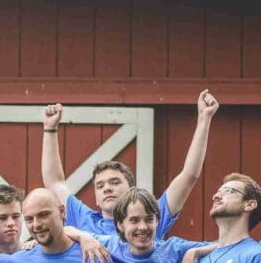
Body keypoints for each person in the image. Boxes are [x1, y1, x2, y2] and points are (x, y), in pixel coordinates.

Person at [40, 90, 219, 238]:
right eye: (100, 186)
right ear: (95, 198)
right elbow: (54, 182)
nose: (107, 189)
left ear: (132, 189)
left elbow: (189, 176)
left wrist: (204, 118)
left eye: (115, 182)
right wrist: (50, 129)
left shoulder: (150, 218)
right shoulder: (83, 219)